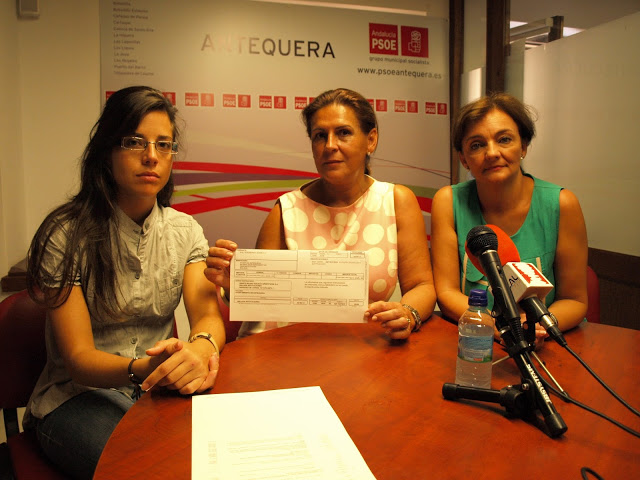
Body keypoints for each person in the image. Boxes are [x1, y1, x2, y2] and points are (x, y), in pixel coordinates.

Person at [24, 86, 225, 480]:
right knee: (150, 468)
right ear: (107, 150)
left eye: (163, 144)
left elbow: (206, 315)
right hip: (76, 398)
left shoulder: (185, 231)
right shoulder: (65, 234)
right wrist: (145, 368)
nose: (151, 155)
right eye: (135, 141)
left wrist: (201, 348)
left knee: (218, 457)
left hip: (156, 390)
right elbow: (79, 360)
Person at [205, 88, 436, 340]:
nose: (330, 145)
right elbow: (258, 302)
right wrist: (236, 285)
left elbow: (421, 286)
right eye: (319, 136)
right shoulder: (286, 210)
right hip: (282, 346)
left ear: (371, 140)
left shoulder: (395, 201)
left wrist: (407, 312)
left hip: (362, 348)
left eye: (343, 133)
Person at [431, 92, 588, 343]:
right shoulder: (448, 202)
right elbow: (447, 292)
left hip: (544, 343)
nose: (492, 153)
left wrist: (534, 328)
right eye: (477, 145)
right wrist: (496, 327)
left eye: (504, 140)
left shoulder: (562, 203)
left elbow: (574, 300)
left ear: (523, 146)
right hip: (473, 341)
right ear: (463, 158)